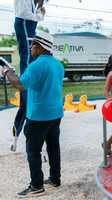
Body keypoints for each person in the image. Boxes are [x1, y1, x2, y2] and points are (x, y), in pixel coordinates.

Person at [0, 31, 64, 197]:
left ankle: (36, 186)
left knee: (33, 151)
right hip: (55, 114)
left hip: (38, 116)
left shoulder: (37, 65)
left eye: (34, 44)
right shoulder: (58, 64)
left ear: (41, 46)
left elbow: (20, 85)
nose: (31, 47)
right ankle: (55, 179)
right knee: (53, 147)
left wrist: (7, 73)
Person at [12, 0, 47, 151]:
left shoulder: (34, 4)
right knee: (27, 57)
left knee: (31, 58)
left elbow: (34, 16)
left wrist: (39, 12)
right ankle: (17, 139)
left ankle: (20, 140)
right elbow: (23, 14)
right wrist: (38, 15)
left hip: (29, 30)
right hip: (24, 28)